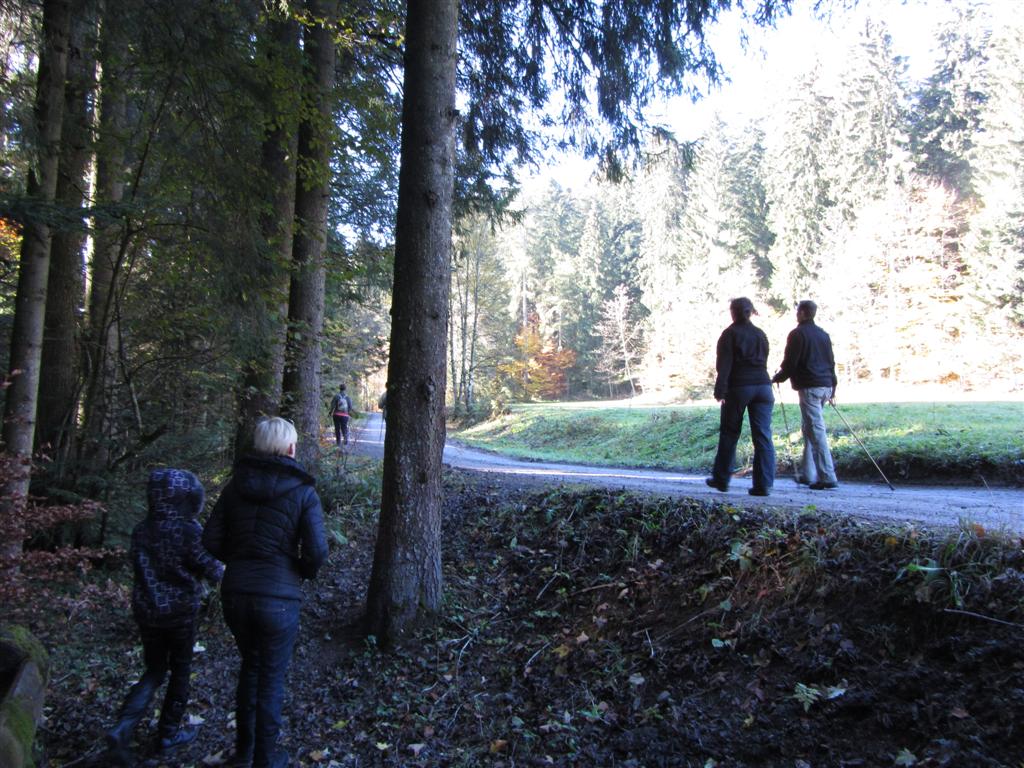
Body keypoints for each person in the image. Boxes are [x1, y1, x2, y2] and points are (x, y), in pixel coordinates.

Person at [203, 417, 328, 768]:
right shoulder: (303, 491)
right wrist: (301, 571)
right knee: (270, 676)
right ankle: (266, 757)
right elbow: (317, 551)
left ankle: (244, 752)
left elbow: (209, 539)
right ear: (290, 448)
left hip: (236, 595)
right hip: (279, 599)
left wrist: (239, 561)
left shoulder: (234, 487)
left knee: (251, 668)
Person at [105, 469, 224, 759]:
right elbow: (212, 569)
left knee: (155, 670)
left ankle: (122, 727)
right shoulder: (188, 531)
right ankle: (168, 734)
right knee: (180, 671)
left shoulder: (142, 530)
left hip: (146, 611)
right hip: (180, 614)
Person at [706, 297, 776, 496]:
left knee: (730, 432)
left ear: (733, 312)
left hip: (739, 387)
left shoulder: (730, 334)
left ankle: (721, 479)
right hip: (763, 386)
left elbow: (724, 365)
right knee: (763, 435)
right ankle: (763, 484)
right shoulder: (760, 334)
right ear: (750, 312)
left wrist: (720, 390)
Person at [772, 299, 839, 490]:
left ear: (802, 313)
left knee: (815, 429)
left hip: (810, 386)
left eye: (797, 312)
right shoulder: (823, 335)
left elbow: (791, 363)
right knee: (809, 427)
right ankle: (808, 474)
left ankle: (827, 476)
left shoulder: (797, 334)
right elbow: (831, 362)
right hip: (826, 385)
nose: (796, 315)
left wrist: (778, 378)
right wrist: (833, 388)